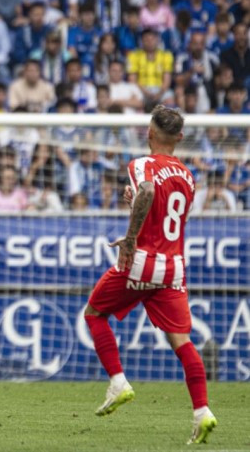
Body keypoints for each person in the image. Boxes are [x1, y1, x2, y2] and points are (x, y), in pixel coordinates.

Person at [84, 106, 217, 444]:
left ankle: (118, 382)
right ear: (181, 138)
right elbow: (163, 217)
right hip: (174, 268)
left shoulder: (142, 164)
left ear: (150, 133)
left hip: (142, 261)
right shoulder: (188, 176)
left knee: (95, 313)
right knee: (182, 342)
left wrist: (129, 241)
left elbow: (147, 193)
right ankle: (202, 411)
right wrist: (135, 211)